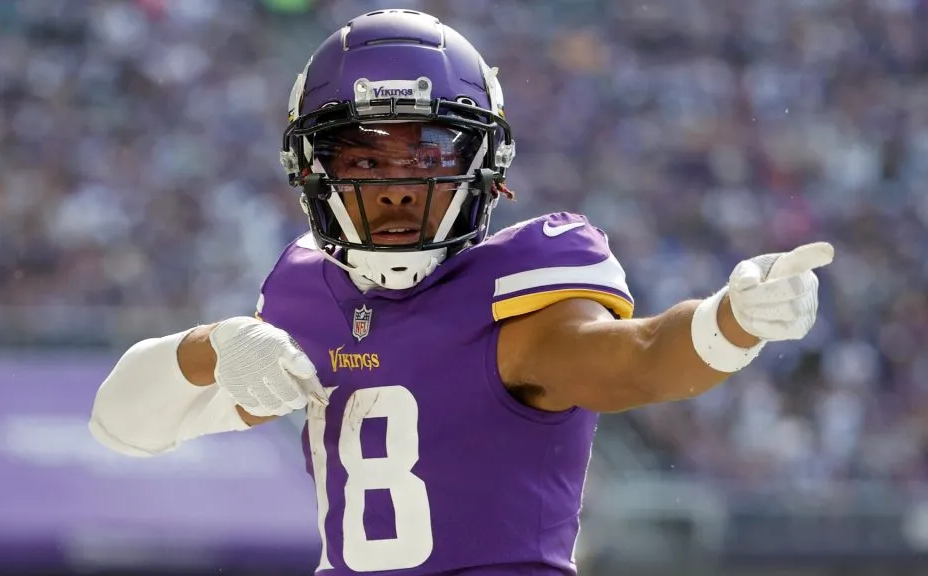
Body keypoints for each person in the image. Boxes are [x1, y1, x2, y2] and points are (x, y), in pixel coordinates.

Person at [89, 9, 834, 576]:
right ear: (312, 168)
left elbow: (639, 359)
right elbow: (122, 424)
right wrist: (211, 347)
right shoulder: (303, 300)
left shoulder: (524, 297)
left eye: (428, 153)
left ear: (485, 164)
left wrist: (732, 322)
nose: (395, 187)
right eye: (362, 157)